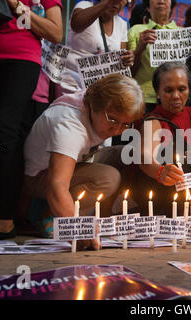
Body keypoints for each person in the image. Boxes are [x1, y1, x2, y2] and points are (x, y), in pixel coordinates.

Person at [0, 0, 63, 241]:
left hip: (21, 58)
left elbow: (56, 32)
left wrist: (16, 5)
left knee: (5, 130)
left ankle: (5, 218)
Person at [23, 74, 145, 249]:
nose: (117, 130)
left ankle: (99, 221)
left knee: (128, 155)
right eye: (112, 120)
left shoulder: (96, 109)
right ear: (95, 105)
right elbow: (57, 185)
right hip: (38, 176)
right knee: (108, 178)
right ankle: (54, 219)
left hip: (77, 162)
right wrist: (77, 229)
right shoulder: (70, 124)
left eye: (126, 124)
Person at [132, 61, 191, 215]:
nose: (176, 96)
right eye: (168, 90)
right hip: (162, 198)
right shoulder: (152, 121)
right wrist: (160, 172)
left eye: (182, 89)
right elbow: (145, 157)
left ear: (189, 90)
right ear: (157, 93)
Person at [57, 0, 134, 96]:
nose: (116, 3)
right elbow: (76, 25)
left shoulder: (122, 24)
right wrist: (107, 3)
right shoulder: (84, 6)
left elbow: (121, 57)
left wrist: (128, 58)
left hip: (99, 92)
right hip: (72, 86)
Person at [127, 0, 179, 112]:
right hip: (143, 98)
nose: (161, 0)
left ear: (171, 5)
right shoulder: (136, 31)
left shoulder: (183, 33)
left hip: (175, 98)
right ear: (148, 7)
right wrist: (139, 49)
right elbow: (129, 73)